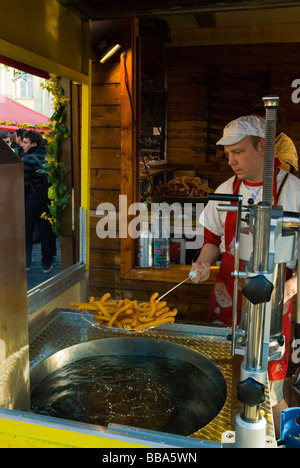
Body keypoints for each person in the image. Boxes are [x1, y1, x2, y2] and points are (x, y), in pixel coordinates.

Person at [190, 115, 299, 437]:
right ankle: (221, 431)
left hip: (276, 291)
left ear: (263, 148)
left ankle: (276, 439)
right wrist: (201, 264)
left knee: (268, 380)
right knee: (224, 368)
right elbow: (212, 241)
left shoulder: (294, 191)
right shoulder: (225, 190)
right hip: (228, 288)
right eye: (228, 154)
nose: (231, 160)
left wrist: (295, 284)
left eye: (238, 151)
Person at [22, 129, 56, 274]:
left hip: (29, 203)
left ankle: (26, 264)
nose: (23, 145)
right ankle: (46, 265)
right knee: (47, 233)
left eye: (25, 142)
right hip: (47, 203)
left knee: (26, 234)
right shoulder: (50, 159)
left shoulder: (26, 160)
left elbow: (22, 185)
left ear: (33, 143)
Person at [250, 100, 298, 173]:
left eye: (262, 123)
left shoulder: (283, 141)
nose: (257, 127)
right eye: (254, 122)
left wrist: (270, 155)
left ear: (274, 120)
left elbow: (289, 169)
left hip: (276, 182)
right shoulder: (249, 138)